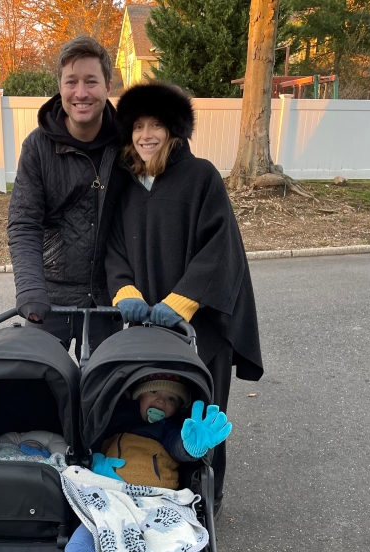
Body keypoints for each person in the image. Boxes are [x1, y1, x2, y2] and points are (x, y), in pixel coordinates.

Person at [105, 83, 263, 517]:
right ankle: (151, 483)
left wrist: (181, 303)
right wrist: (126, 291)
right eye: (138, 125)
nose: (146, 134)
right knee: (152, 407)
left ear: (174, 131)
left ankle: (206, 496)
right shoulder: (128, 184)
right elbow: (115, 246)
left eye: (156, 124)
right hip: (148, 328)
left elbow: (220, 250)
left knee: (202, 413)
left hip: (201, 328)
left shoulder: (201, 177)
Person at [47, 374, 231, 552]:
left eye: (171, 399)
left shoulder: (169, 429)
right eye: (154, 394)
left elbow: (177, 446)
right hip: (115, 492)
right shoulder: (115, 420)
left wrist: (191, 447)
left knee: (180, 532)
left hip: (157, 496)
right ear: (138, 395)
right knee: (94, 523)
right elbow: (91, 442)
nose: (162, 402)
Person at [7, 36, 128, 358]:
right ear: (59, 86)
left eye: (91, 82)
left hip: (110, 298)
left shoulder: (128, 143)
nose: (81, 93)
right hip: (50, 297)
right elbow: (24, 223)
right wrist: (31, 289)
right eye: (71, 82)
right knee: (40, 392)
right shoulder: (37, 147)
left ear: (108, 85)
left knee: (107, 395)